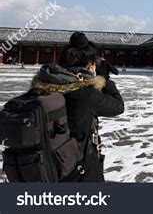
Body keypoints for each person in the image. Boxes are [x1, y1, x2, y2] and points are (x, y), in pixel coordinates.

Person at [28, 32, 124, 182]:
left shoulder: (41, 86)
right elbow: (117, 106)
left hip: (42, 165)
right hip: (78, 165)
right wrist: (105, 80)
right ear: (88, 64)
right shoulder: (86, 94)